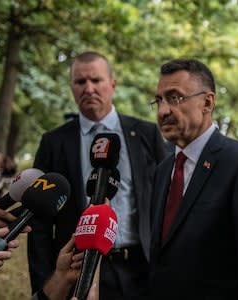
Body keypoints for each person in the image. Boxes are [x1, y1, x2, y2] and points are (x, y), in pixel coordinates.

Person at [28, 51, 168, 298]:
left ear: (112, 84)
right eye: (80, 82)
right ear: (72, 87)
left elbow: (167, 200)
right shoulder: (54, 142)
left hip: (140, 268)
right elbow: (39, 222)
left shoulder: (145, 134)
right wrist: (46, 286)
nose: (89, 89)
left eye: (96, 80)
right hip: (78, 269)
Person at [149, 58, 238, 299]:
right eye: (159, 100)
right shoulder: (163, 170)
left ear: (207, 102)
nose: (163, 111)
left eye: (175, 98)